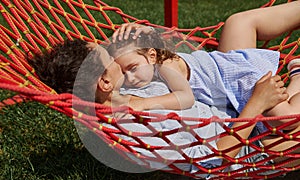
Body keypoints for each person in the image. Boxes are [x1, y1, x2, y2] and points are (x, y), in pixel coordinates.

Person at [29, 39, 299, 173]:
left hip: (236, 115)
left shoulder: (129, 91)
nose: (114, 55)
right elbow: (215, 158)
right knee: (292, 123)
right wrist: (256, 103)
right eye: (107, 56)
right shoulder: (143, 126)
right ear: (104, 83)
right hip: (246, 151)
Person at [108, 1, 300, 130]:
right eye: (124, 74)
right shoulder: (156, 57)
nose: (130, 78)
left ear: (151, 56)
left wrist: (141, 104)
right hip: (230, 63)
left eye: (132, 68)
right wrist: (148, 31)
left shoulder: (166, 68)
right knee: (238, 21)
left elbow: (185, 98)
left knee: (286, 119)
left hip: (241, 82)